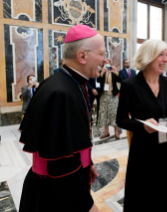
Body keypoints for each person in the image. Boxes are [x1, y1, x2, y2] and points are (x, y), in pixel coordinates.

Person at [19, 24, 104, 212]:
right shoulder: (60, 92)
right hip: (51, 197)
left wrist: (86, 164)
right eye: (101, 54)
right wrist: (86, 204)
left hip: (61, 190)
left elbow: (71, 142)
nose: (105, 60)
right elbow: (61, 165)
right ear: (82, 56)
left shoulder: (72, 84)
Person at [116, 39, 167, 212]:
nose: (165, 60)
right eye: (160, 55)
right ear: (148, 56)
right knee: (145, 198)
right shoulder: (130, 85)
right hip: (144, 151)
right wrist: (142, 126)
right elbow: (121, 120)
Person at [97, 58, 122, 139]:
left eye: (108, 63)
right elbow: (98, 81)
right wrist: (102, 72)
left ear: (110, 64)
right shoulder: (101, 72)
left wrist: (116, 72)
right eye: (105, 63)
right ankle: (106, 132)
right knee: (104, 113)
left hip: (113, 95)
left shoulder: (113, 72)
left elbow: (122, 80)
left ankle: (116, 132)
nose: (107, 64)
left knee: (114, 113)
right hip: (104, 96)